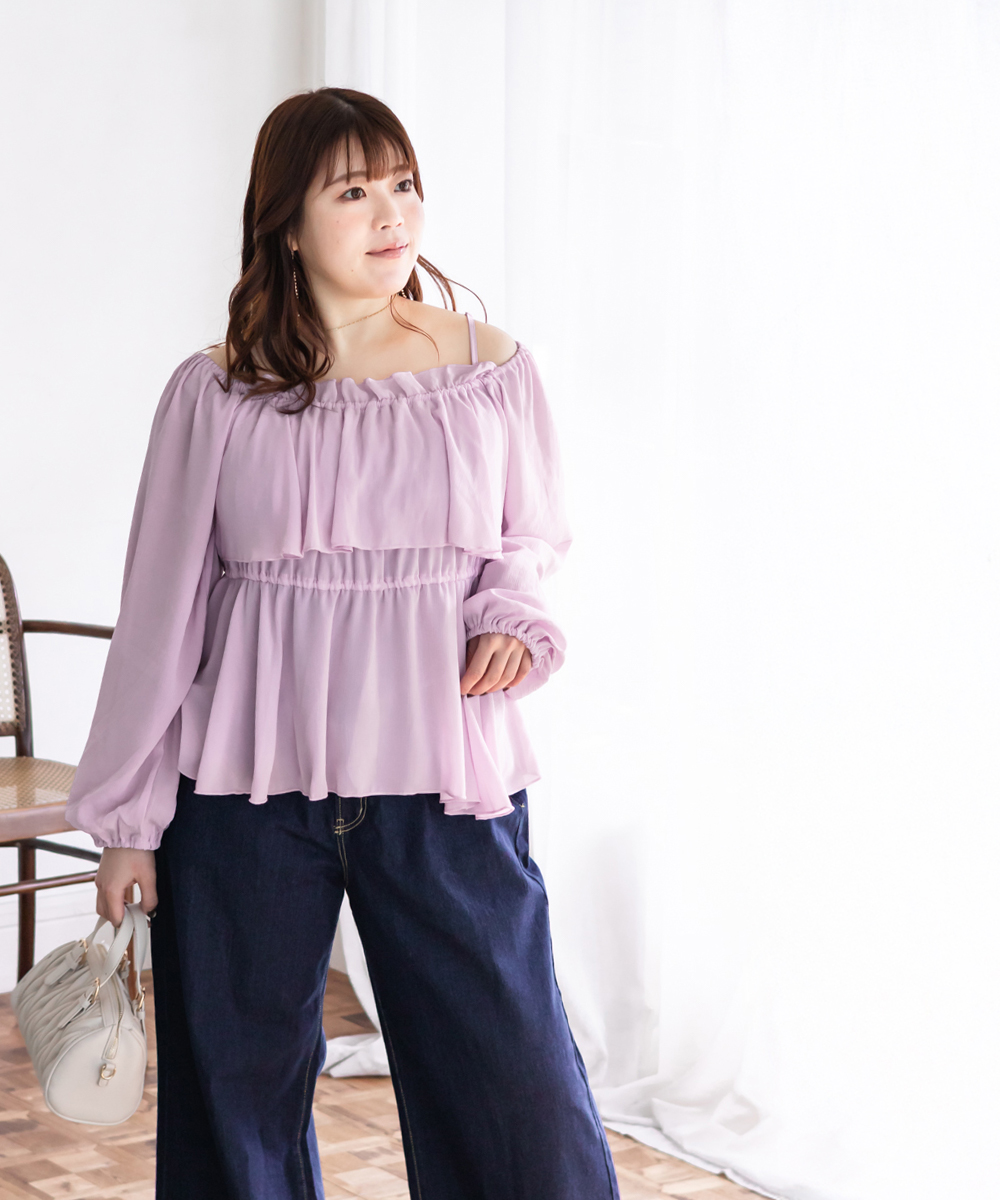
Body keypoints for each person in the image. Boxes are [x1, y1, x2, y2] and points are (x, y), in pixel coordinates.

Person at [65, 86, 620, 1200]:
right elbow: (160, 614)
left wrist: (509, 617)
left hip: (445, 777)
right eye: (354, 192)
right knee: (234, 1100)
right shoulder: (217, 391)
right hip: (243, 798)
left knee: (512, 1086)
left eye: (403, 184)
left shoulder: (489, 368)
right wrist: (127, 823)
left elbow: (531, 539)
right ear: (285, 220)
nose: (391, 213)